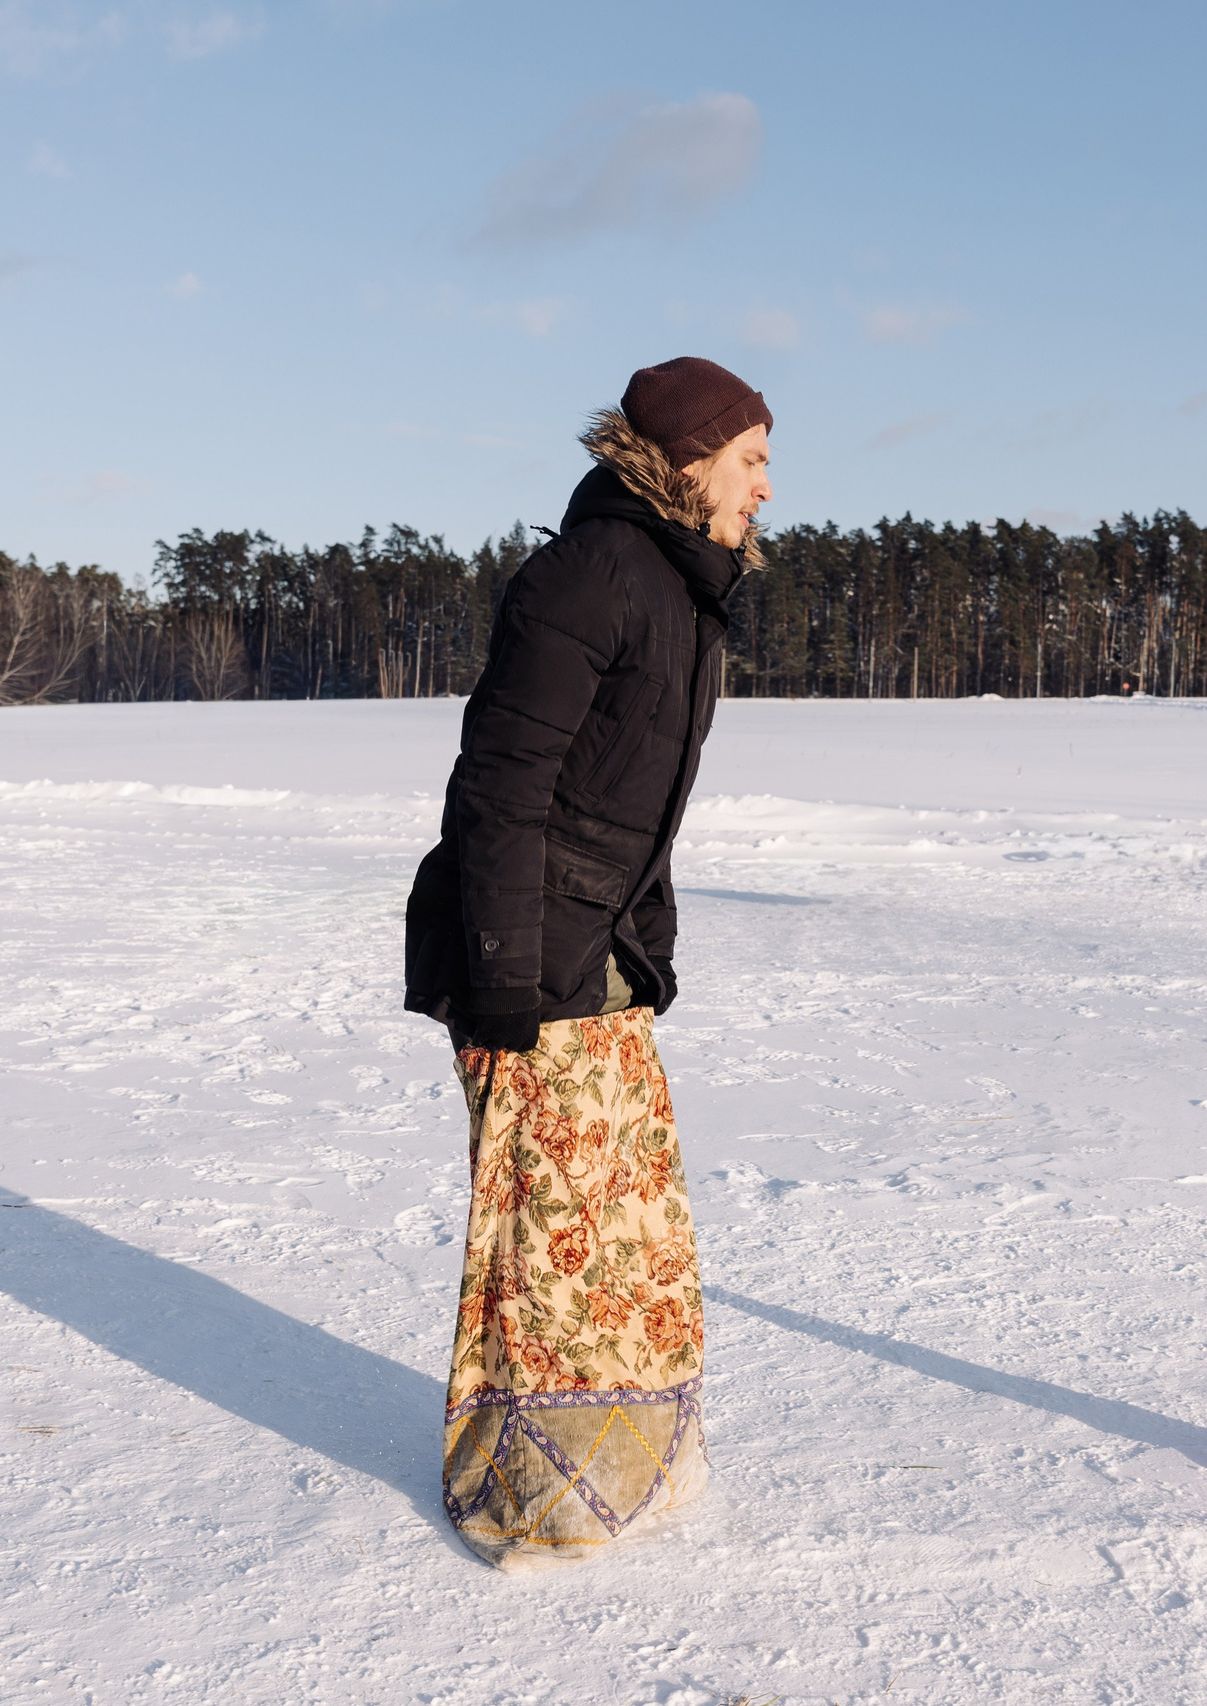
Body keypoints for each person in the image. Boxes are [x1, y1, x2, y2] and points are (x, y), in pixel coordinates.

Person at [403, 356, 773, 1569]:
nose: (766, 487)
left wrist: (645, 939)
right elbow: (502, 788)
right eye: (751, 459)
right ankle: (538, 1495)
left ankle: (627, 1467)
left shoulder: (682, 589)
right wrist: (505, 978)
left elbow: (631, 805)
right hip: (529, 958)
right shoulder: (586, 579)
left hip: (600, 955)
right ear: (685, 462)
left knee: (631, 1232)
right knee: (550, 1241)